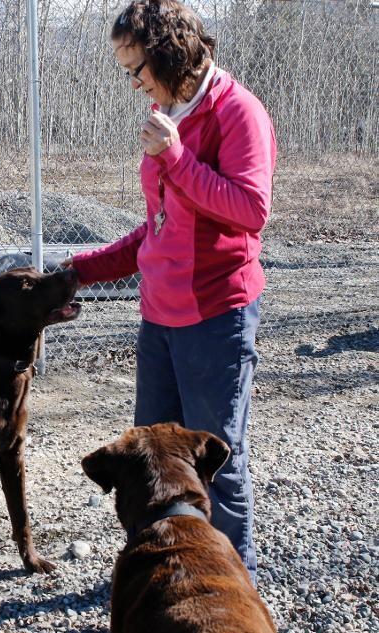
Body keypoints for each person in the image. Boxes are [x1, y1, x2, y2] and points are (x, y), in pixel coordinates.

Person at [65, 0, 276, 584]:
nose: (134, 84)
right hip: (159, 319)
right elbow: (158, 228)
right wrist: (81, 268)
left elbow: (250, 212)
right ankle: (160, 578)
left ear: (167, 54)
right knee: (150, 464)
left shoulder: (239, 113)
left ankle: (235, 588)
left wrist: (176, 156)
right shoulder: (167, 110)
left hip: (214, 317)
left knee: (215, 463)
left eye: (136, 68)